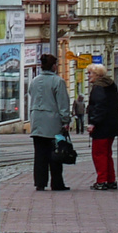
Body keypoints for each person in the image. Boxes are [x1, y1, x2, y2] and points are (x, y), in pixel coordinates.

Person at [25, 53, 71, 191]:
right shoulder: (58, 81)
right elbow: (63, 103)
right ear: (53, 66)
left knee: (39, 155)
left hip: (37, 122)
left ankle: (40, 182)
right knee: (55, 154)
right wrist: (65, 120)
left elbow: (31, 95)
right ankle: (57, 183)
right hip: (53, 123)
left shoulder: (34, 80)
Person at [86, 63, 118, 190]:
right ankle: (111, 180)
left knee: (99, 154)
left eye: (90, 73)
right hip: (111, 125)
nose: (88, 76)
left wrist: (93, 123)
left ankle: (101, 180)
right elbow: (117, 102)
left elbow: (99, 107)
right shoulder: (111, 85)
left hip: (101, 126)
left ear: (97, 75)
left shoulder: (98, 87)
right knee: (107, 154)